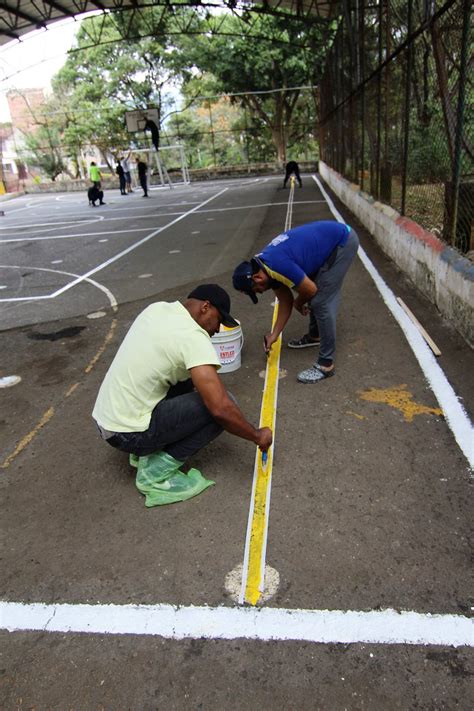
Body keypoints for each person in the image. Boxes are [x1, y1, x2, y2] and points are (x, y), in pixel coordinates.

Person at [92, 284, 272, 506]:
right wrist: (257, 436)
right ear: (206, 307)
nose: (217, 330)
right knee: (222, 409)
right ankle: (154, 474)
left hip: (106, 421)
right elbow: (221, 408)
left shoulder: (157, 309)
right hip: (128, 434)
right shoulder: (193, 338)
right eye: (219, 321)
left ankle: (144, 450)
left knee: (188, 381)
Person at [232, 221, 359, 383]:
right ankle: (315, 336)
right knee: (313, 293)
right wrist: (274, 335)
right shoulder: (265, 267)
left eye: (256, 290)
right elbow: (285, 301)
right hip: (328, 242)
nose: (260, 292)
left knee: (321, 301)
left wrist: (299, 303)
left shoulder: (277, 265)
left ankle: (326, 364)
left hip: (342, 241)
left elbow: (310, 290)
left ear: (257, 278)